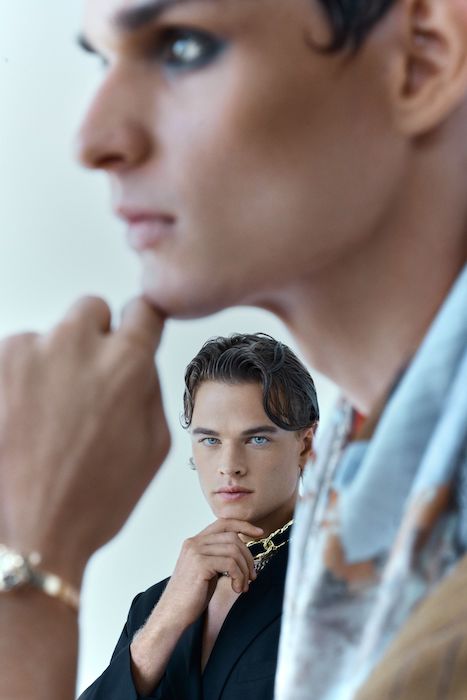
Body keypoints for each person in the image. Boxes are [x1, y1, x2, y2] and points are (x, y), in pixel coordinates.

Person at [0, 0, 467, 698]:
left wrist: (37, 564)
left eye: (182, 47)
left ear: (419, 59)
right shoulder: (177, 593)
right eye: (101, 60)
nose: (91, 141)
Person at [79, 333, 318, 700]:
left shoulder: (342, 579)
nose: (229, 466)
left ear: (305, 445)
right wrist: (167, 618)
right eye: (211, 440)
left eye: (257, 439)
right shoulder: (153, 605)